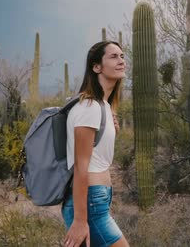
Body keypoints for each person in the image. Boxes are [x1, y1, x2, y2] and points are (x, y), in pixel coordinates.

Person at [62, 41, 130, 247]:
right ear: (96, 67)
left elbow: (97, 155)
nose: (121, 61)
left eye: (122, 56)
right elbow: (81, 166)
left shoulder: (103, 107)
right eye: (113, 56)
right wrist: (81, 221)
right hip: (89, 203)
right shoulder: (89, 106)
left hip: (97, 201)